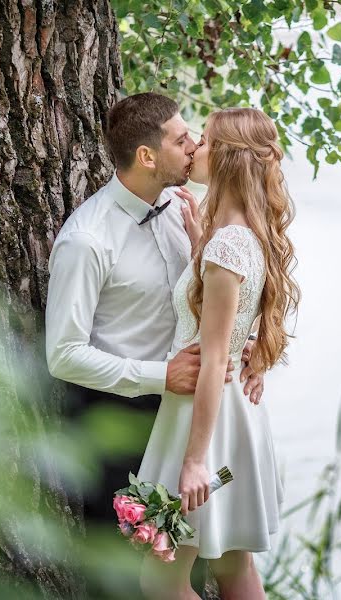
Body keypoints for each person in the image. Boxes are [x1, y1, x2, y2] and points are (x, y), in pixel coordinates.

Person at [44, 93, 264, 597]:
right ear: (147, 156)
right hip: (121, 421)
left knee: (212, 561)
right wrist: (160, 376)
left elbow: (221, 295)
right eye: (182, 139)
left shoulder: (183, 210)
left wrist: (246, 344)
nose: (195, 147)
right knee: (133, 577)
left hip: (192, 416)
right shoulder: (87, 240)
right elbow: (62, 354)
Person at [137, 108, 300, 600]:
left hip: (204, 429)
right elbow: (231, 324)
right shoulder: (244, 237)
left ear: (227, 158)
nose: (193, 149)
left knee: (161, 581)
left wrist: (193, 462)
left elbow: (211, 359)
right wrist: (198, 248)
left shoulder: (228, 247)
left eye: (203, 141)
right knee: (233, 567)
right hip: (234, 423)